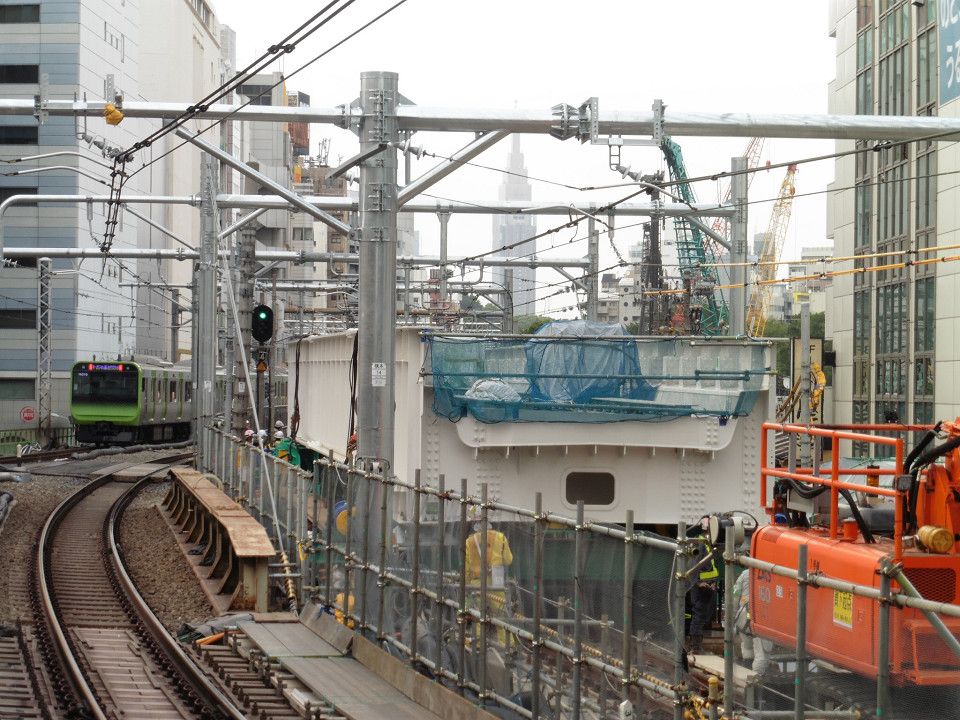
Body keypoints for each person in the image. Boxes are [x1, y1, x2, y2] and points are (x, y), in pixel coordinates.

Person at [464, 512, 513, 644]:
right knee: (501, 614)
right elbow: (508, 560)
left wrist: (468, 585)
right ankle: (508, 646)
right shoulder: (500, 537)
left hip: (477, 581)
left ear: (475, 523)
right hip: (496, 580)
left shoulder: (469, 542)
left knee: (478, 614)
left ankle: (478, 644)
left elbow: (467, 567)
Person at [734, 560, 772, 674]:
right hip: (762, 616)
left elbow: (735, 595)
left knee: (747, 648)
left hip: (743, 617)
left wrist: (732, 617)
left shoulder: (745, 574)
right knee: (762, 653)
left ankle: (747, 677)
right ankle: (754, 683)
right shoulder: (773, 574)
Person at [687, 521, 719, 653]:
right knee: (699, 616)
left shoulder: (708, 543)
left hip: (708, 586)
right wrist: (698, 583)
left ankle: (697, 646)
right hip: (701, 588)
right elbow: (692, 566)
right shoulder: (700, 544)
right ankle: (696, 647)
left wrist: (713, 582)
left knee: (703, 615)